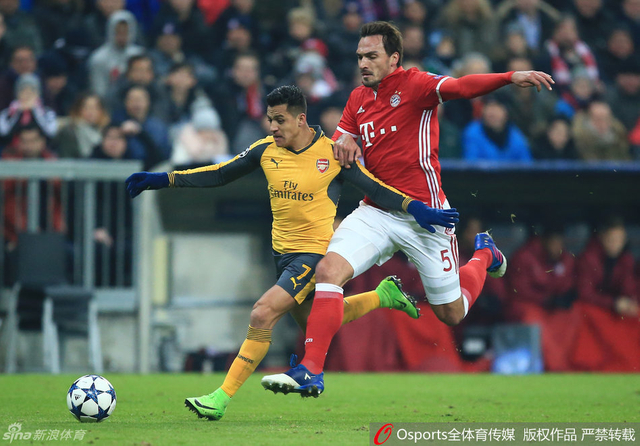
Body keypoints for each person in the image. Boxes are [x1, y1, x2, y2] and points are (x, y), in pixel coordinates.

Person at [125, 85, 458, 420]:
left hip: (314, 256)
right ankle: (383, 296)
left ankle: (220, 398)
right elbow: (220, 173)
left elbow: (375, 188)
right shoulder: (264, 150)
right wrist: (165, 179)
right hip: (282, 257)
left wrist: (414, 207)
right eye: (270, 119)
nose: (273, 127)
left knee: (262, 313)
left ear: (301, 120)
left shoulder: (333, 154)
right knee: (322, 320)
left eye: (280, 120)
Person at [261, 21, 554, 397]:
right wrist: (343, 142)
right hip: (377, 212)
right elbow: (341, 141)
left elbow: (462, 86)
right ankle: (311, 370)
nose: (363, 63)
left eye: (372, 56)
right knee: (328, 271)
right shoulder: (357, 98)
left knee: (451, 313)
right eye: (359, 56)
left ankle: (484, 255)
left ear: (394, 58)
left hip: (426, 216)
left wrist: (510, 76)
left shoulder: (417, 85)